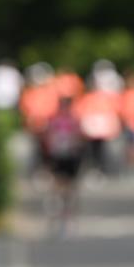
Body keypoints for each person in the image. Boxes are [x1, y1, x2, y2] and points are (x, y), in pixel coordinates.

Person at [42, 95, 85, 233]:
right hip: (58, 156)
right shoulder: (54, 120)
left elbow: (79, 138)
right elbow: (48, 138)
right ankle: (56, 212)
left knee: (70, 186)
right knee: (58, 184)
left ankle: (68, 214)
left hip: (70, 156)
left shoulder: (74, 121)